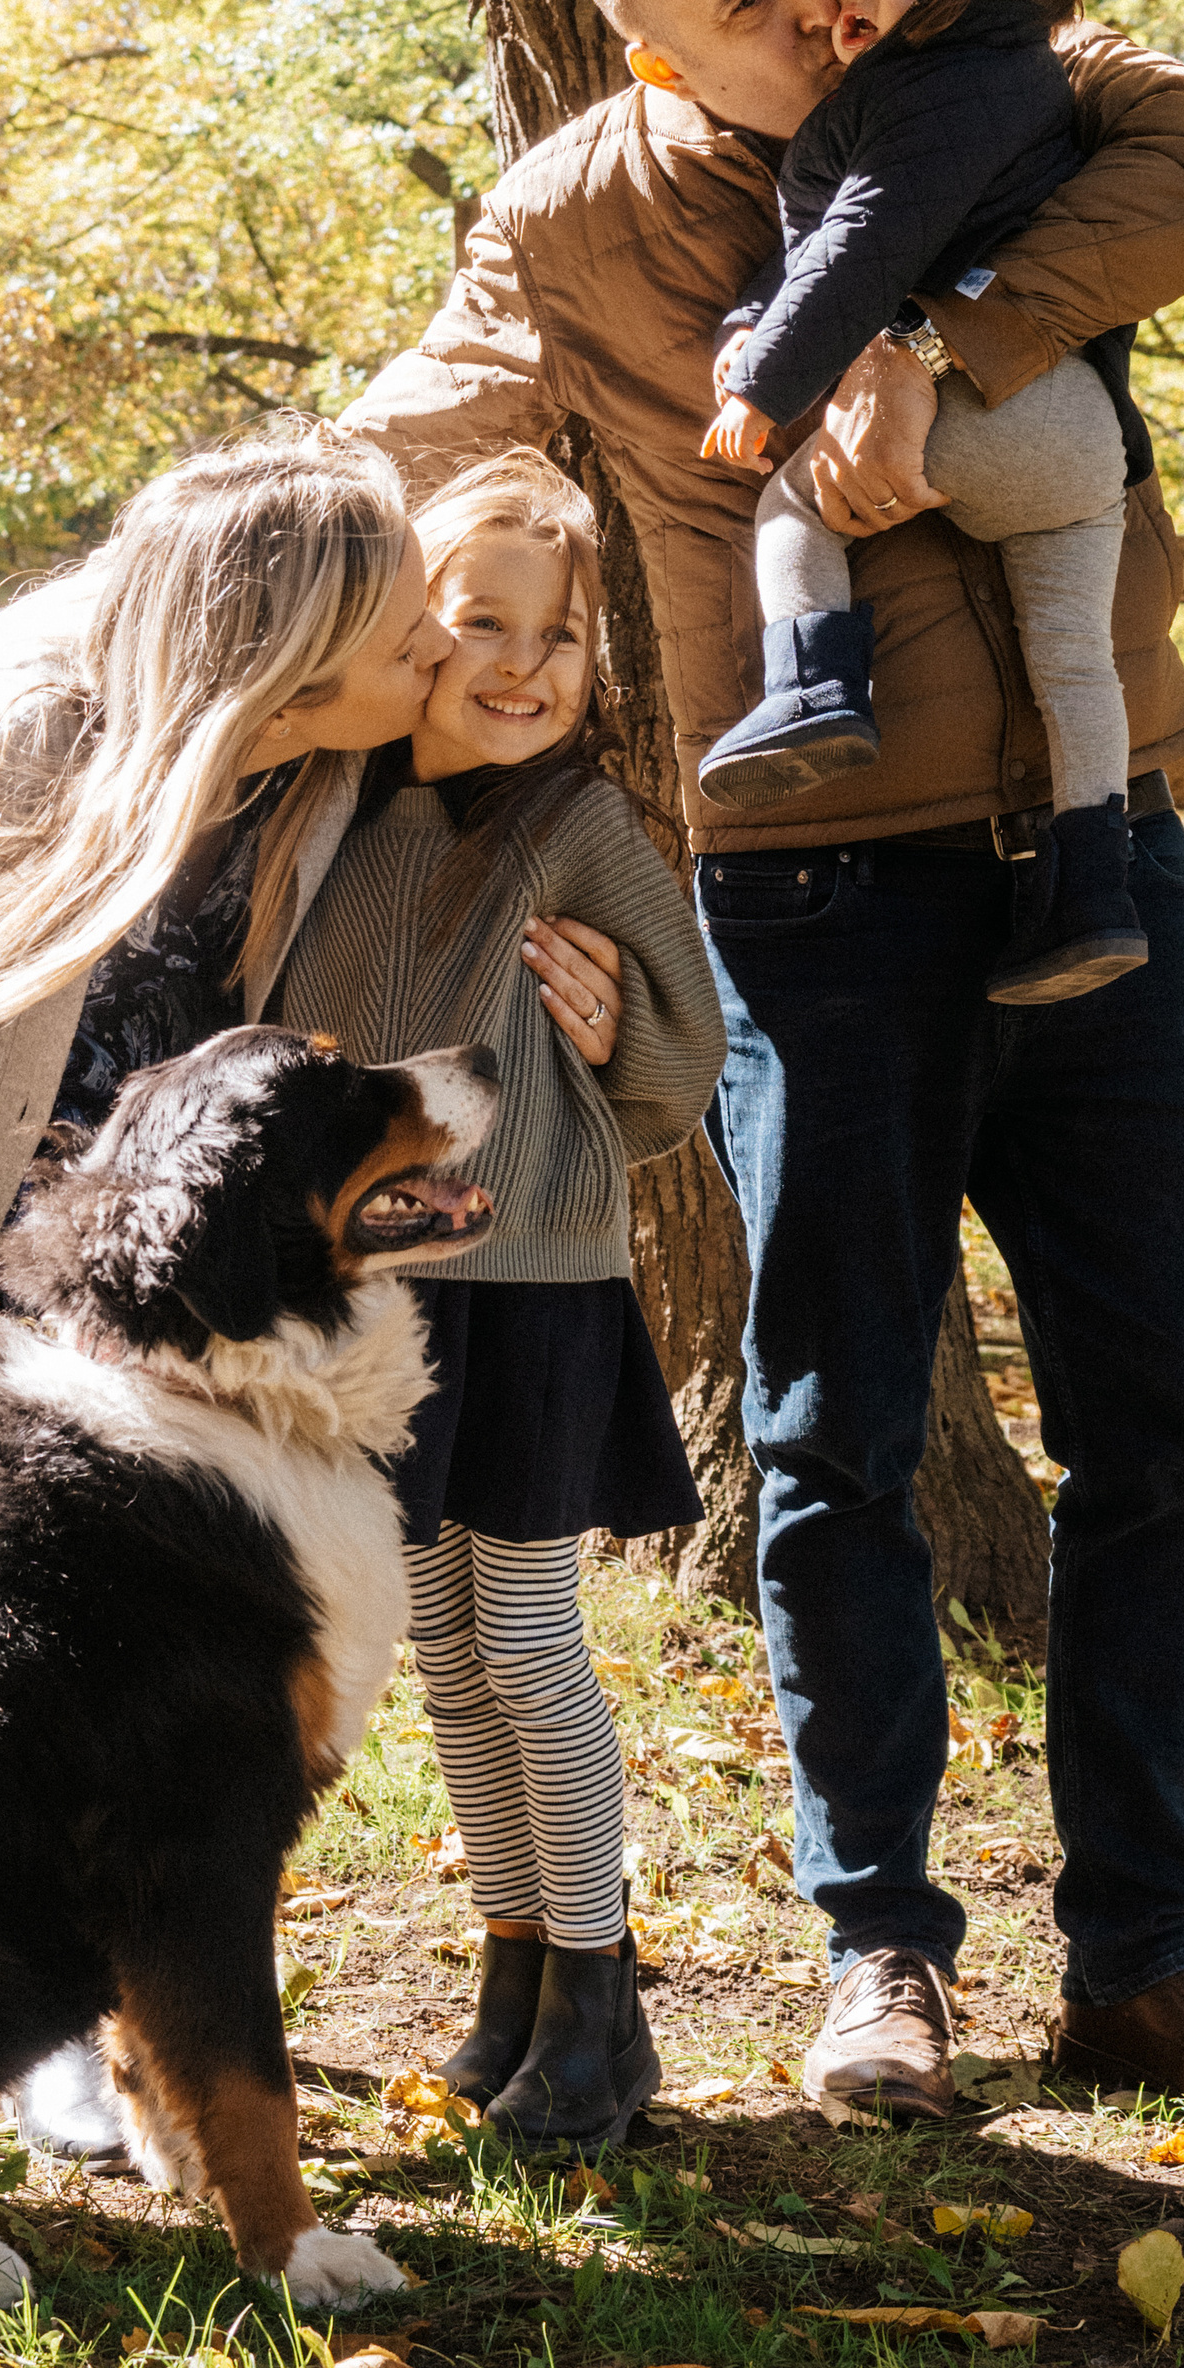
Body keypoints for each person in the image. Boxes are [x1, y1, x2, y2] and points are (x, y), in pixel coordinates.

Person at [347, 0, 1184, 2142]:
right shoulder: (571, 220)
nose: (819, 1)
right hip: (817, 905)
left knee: (1160, 1433)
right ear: (649, 48)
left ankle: (1140, 1959)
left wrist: (932, 336)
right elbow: (409, 423)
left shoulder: (1009, 71)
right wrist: (177, 574)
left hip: (1104, 858)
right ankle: (877, 1950)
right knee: (830, 1437)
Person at [0, 419, 627, 2163]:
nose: (434, 647)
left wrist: (618, 998)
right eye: (409, 629)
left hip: (135, 1221)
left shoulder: (309, 753)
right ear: (292, 657)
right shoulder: (26, 744)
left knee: (98, 1662)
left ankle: (84, 2012)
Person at [279, 453, 725, 2153]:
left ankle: (605, 2003)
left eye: (561, 634)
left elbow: (683, 1053)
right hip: (388, 1300)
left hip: (537, 1280)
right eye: (483, 623)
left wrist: (613, 1039)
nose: (524, 663)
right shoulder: (337, 808)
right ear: (416, 632)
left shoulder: (579, 828)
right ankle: (517, 1968)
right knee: (445, 1648)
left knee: (529, 1638)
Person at [696, 0, 1145, 1009]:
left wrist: (761, 382)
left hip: (985, 400)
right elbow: (827, 247)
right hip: (1078, 436)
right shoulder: (1009, 77)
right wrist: (752, 316)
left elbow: (859, 242)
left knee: (794, 510)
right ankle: (1092, 894)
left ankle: (811, 692)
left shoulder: (939, 83)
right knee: (1075, 660)